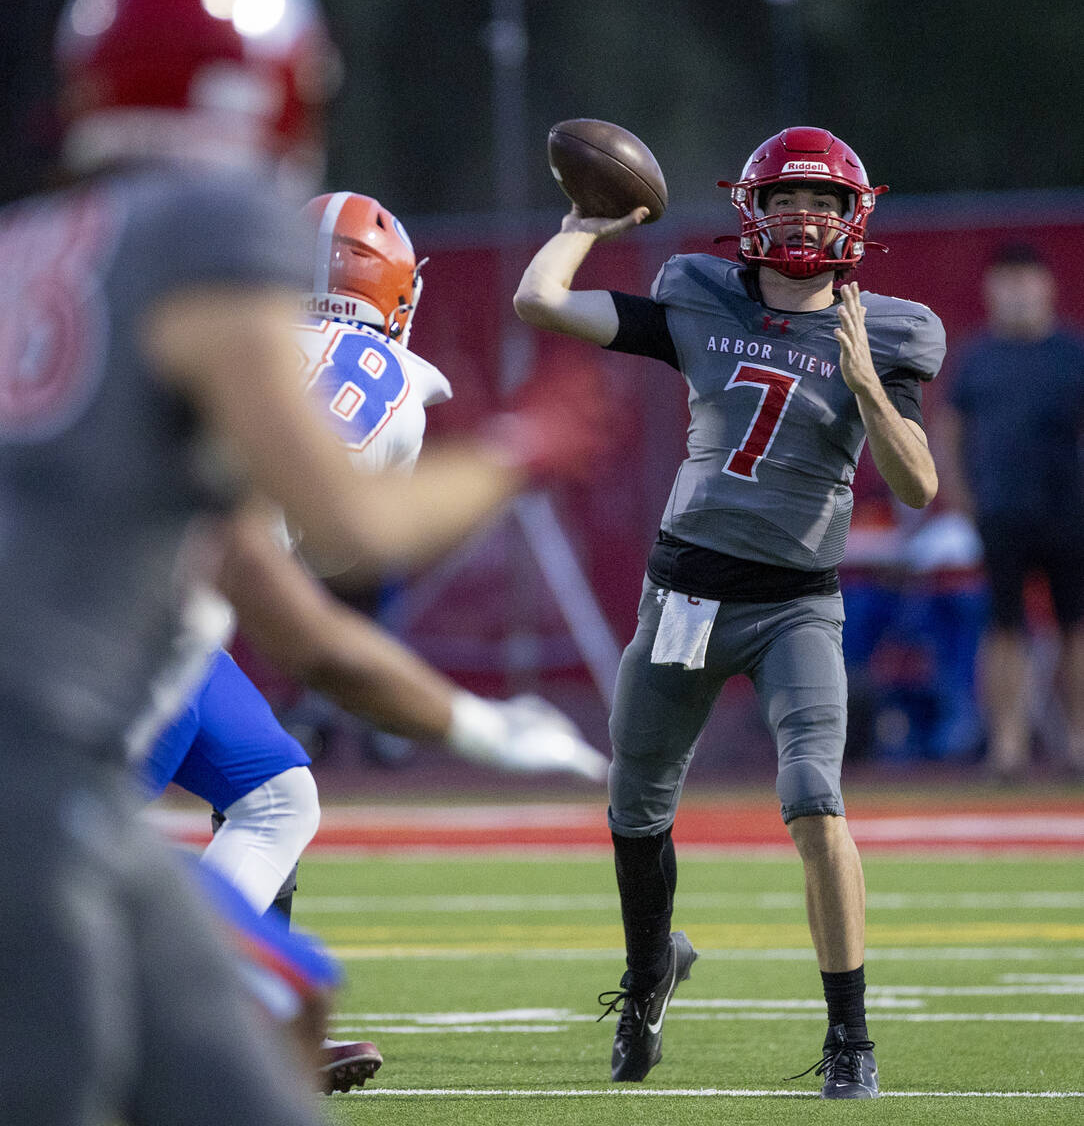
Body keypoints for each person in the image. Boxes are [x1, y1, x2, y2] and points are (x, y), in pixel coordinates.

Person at [0, 0, 605, 1123]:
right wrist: (519, 449)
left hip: (76, 736)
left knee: (247, 1047)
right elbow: (351, 527)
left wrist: (472, 724)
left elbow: (280, 605)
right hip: (42, 766)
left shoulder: (30, 249)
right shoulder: (203, 235)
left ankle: (249, 991)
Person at [514, 126, 946, 1099]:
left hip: (795, 605)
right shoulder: (700, 301)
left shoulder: (893, 329)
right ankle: (648, 978)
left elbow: (917, 485)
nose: (804, 215)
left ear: (854, 217)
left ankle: (849, 1040)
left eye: (823, 202)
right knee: (635, 808)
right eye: (787, 198)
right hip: (683, 596)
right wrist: (585, 220)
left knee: (813, 800)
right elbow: (535, 301)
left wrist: (867, 383)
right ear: (751, 212)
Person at [144, 193, 607, 1089]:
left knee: (278, 794)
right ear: (394, 290)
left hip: (141, 608)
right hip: (118, 635)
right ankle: (178, 1010)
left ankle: (247, 1019)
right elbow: (333, 553)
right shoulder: (390, 379)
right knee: (66, 865)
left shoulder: (228, 333)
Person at [939, 243, 1084, 780]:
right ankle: (1007, 745)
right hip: (1000, 510)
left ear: (1047, 286)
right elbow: (950, 431)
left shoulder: (1071, 353)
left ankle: (1077, 742)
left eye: (1027, 280)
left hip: (1068, 511)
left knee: (1074, 625)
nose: (1018, 293)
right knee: (1004, 628)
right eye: (1007, 281)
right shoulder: (978, 357)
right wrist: (960, 499)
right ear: (991, 290)